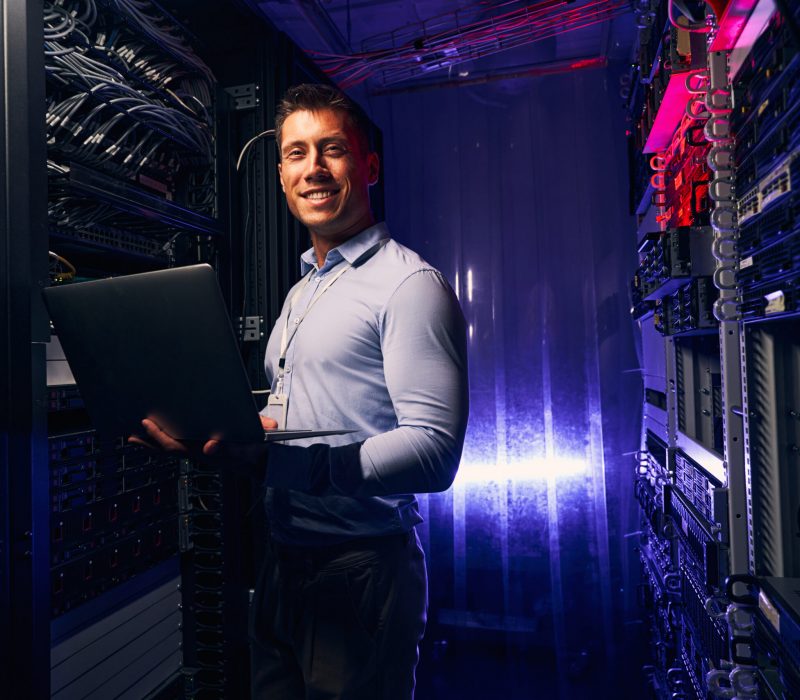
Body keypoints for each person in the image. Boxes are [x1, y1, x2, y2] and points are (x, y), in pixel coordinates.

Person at [134, 83, 469, 699]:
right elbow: (295, 419)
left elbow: (434, 452)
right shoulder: (302, 291)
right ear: (283, 175)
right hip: (284, 561)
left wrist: (281, 465)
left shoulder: (409, 285)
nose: (312, 168)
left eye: (331, 149)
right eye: (295, 153)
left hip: (361, 569)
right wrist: (210, 430)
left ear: (368, 166)